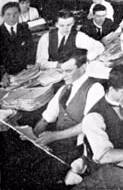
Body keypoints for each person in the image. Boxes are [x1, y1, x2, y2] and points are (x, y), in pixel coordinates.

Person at [30, 48, 104, 187]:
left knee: (40, 176)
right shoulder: (64, 89)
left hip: (77, 151)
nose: (64, 76)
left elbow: (87, 125)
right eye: (62, 71)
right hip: (56, 147)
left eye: (68, 71)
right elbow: (46, 118)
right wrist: (33, 135)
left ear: (84, 67)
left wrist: (54, 136)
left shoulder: (95, 88)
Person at [36, 10, 104, 69]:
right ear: (56, 24)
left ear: (73, 23)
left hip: (73, 72)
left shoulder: (78, 36)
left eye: (69, 25)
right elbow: (40, 63)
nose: (65, 29)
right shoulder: (46, 38)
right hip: (53, 72)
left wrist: (88, 57)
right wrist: (59, 65)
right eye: (62, 25)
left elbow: (99, 46)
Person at [0, 2, 34, 85]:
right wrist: (3, 74)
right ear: (2, 16)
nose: (12, 17)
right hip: (5, 75)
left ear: (19, 14)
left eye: (15, 14)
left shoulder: (24, 29)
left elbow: (30, 49)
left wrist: (30, 65)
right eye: (8, 14)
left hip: (23, 72)